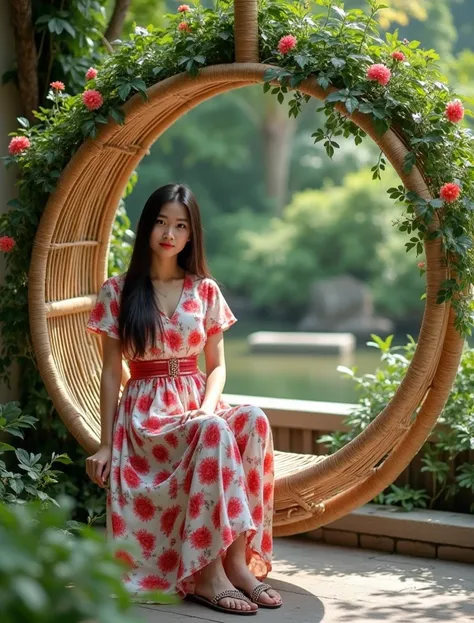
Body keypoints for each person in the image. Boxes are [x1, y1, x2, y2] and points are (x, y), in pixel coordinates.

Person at [85, 184, 282, 616]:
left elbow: (216, 366)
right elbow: (111, 371)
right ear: (146, 227)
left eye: (180, 225)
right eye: (160, 222)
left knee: (252, 419)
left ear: (192, 235)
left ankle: (237, 562)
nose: (168, 233)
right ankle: (208, 577)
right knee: (211, 430)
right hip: (148, 418)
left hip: (197, 403)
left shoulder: (205, 290)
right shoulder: (118, 290)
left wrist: (208, 408)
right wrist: (104, 443)